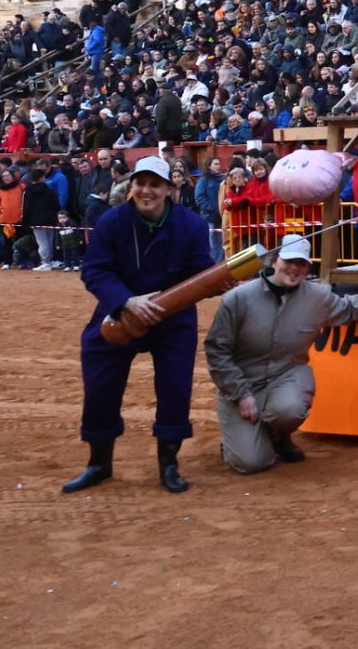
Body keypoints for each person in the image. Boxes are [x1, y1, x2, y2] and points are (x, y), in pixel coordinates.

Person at [204, 235, 358, 474]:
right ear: (274, 260)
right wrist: (241, 394)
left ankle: (279, 435)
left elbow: (350, 307)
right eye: (289, 261)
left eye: (302, 264)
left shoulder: (317, 296)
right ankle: (243, 441)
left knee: (291, 408)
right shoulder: (238, 298)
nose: (295, 269)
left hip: (285, 376)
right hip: (242, 383)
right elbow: (217, 349)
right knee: (251, 463)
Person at [66, 156, 214, 494]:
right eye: (141, 183)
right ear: (132, 186)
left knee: (175, 387)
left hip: (173, 317)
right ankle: (99, 462)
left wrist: (217, 282)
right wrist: (126, 301)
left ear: (169, 189)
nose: (147, 191)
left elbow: (200, 271)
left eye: (155, 184)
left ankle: (169, 464)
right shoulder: (111, 222)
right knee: (100, 382)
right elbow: (95, 271)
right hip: (119, 312)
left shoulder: (192, 225)